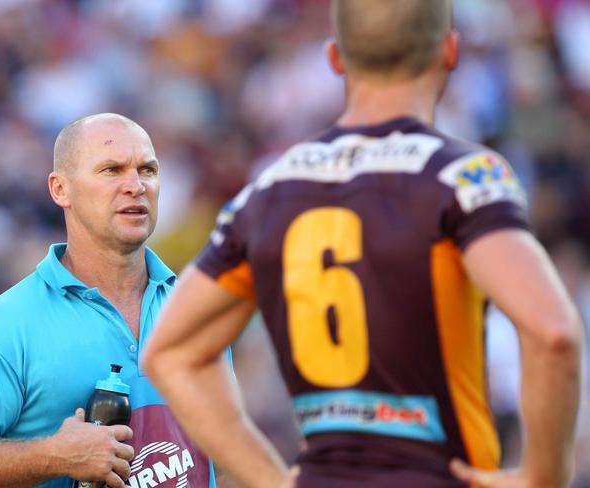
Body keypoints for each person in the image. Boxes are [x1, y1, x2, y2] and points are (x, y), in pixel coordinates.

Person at [140, 1, 585, 487]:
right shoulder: (463, 177)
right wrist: (544, 474)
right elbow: (553, 332)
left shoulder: (268, 191)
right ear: (449, 51)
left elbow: (169, 352)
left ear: (335, 58)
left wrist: (268, 479)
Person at [0, 113, 219, 487]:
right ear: (60, 189)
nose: (135, 185)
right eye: (111, 170)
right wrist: (55, 456)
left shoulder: (198, 312)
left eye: (147, 170)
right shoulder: (2, 328)